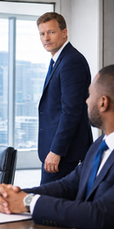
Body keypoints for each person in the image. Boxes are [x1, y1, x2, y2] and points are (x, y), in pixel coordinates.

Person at [0, 65, 114, 229]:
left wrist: (28, 202)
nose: (86, 100)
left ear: (103, 103)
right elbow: (67, 186)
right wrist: (14, 195)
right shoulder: (100, 146)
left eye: (89, 94)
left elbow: (100, 214)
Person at [37, 12, 93, 184]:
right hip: (58, 151)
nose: (46, 37)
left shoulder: (71, 61)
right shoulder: (58, 59)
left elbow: (71, 111)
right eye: (42, 33)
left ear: (64, 32)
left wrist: (57, 151)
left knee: (49, 204)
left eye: (51, 32)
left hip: (65, 153)